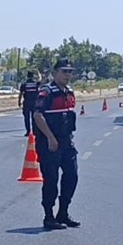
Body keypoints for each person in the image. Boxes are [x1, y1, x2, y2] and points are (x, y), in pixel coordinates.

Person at [31, 59, 80, 230]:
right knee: (51, 180)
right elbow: (38, 115)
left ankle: (63, 213)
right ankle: (49, 216)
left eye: (70, 71)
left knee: (72, 176)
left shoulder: (69, 92)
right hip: (49, 143)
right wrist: (51, 138)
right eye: (64, 71)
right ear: (54, 73)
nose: (68, 75)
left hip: (67, 142)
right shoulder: (47, 92)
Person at [18, 70, 41, 136]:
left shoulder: (24, 84)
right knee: (34, 118)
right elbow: (40, 80)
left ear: (27, 76)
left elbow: (21, 94)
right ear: (33, 76)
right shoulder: (35, 84)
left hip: (27, 102)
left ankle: (28, 131)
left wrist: (19, 102)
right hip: (34, 102)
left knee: (26, 117)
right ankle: (34, 131)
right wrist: (39, 73)